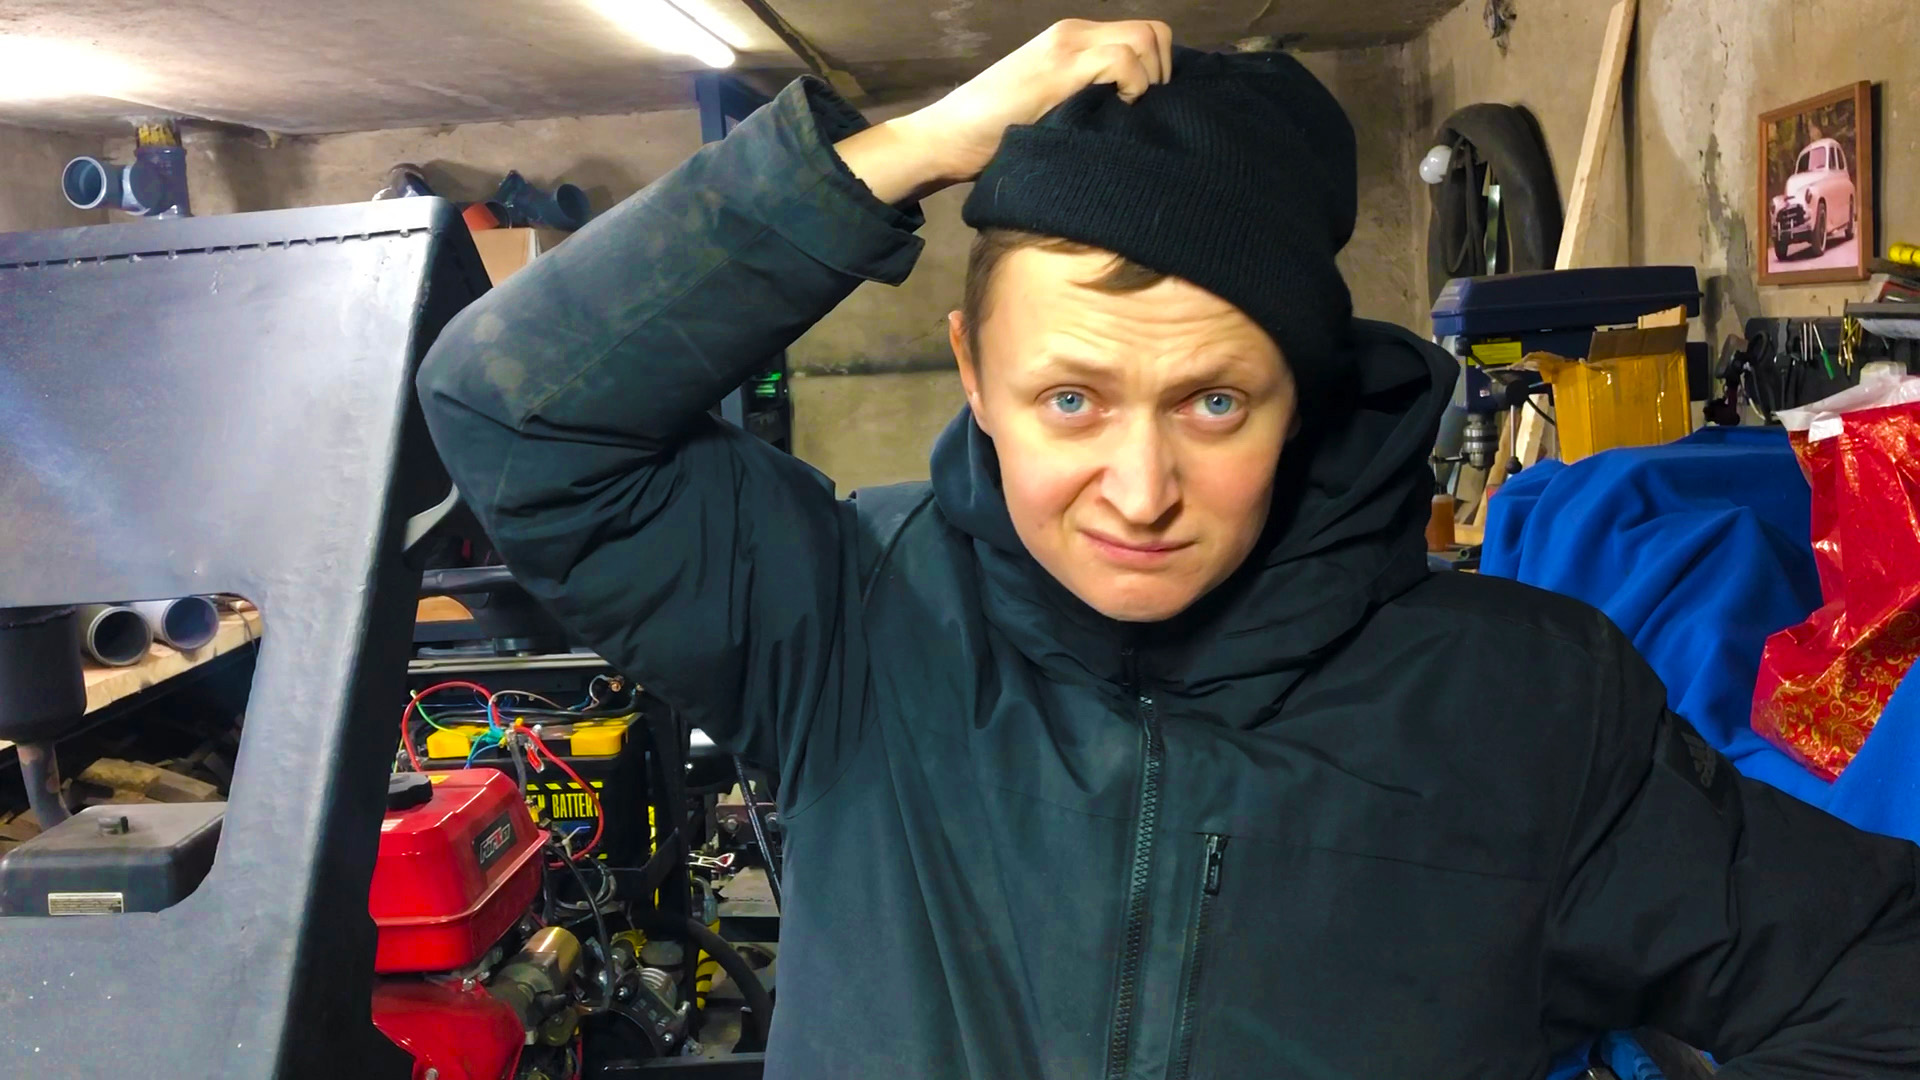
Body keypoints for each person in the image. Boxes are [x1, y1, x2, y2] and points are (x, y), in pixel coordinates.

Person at [418, 19, 1920, 1079]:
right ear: (975, 374)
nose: (1138, 492)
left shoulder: (1523, 707)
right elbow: (510, 412)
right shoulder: (850, 617)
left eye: (1215, 402)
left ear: (1303, 394)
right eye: (1071, 399)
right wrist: (914, 146)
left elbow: (1879, 979)